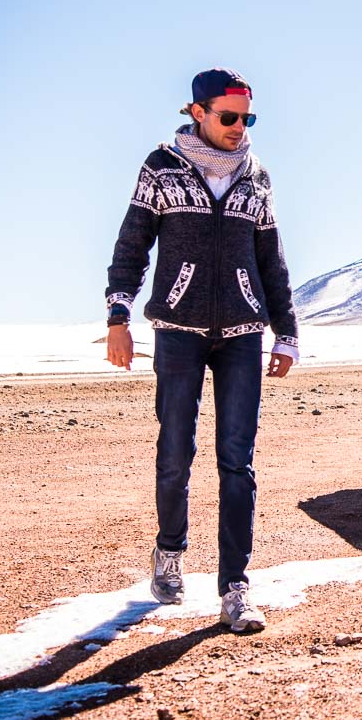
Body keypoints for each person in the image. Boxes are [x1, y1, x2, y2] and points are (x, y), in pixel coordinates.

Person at [104, 68, 299, 633]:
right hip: (178, 332)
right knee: (175, 453)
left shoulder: (256, 178)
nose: (240, 129)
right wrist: (119, 315)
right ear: (198, 112)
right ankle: (169, 553)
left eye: (248, 119)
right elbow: (132, 244)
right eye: (229, 117)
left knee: (238, 463)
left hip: (242, 335)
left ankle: (235, 588)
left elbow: (272, 262)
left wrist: (285, 332)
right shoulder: (161, 168)